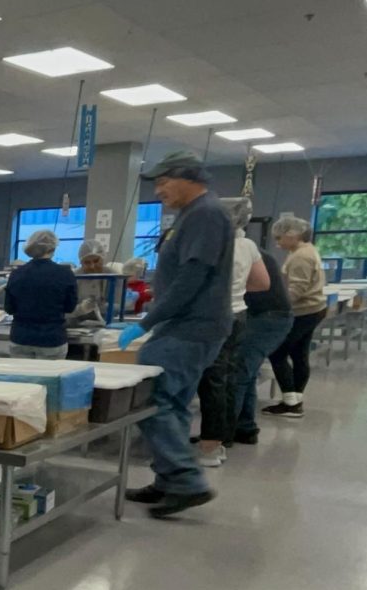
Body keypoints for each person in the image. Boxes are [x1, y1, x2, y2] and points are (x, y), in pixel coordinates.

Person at [119, 151, 233, 518]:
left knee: (152, 401)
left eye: (164, 180)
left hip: (188, 327)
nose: (159, 189)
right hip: (186, 326)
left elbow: (192, 278)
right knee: (174, 403)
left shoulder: (206, 214)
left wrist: (147, 321)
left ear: (188, 177)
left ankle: (186, 481)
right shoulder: (191, 215)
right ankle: (168, 479)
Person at [194, 197, 269, 466]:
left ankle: (210, 446)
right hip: (238, 315)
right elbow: (262, 283)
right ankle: (222, 439)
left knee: (211, 380)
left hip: (213, 317)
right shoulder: (248, 245)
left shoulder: (214, 245)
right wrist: (236, 289)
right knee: (226, 378)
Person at [263, 216, 327, 419]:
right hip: (313, 309)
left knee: (277, 352)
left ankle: (291, 403)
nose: (277, 243)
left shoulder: (300, 256)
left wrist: (277, 306)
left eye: (280, 238)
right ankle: (295, 399)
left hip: (303, 311)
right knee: (300, 354)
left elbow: (297, 289)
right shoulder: (307, 250)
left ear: (292, 235)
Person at [231, 242, 293, 445]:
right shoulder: (255, 250)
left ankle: (221, 435)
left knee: (239, 372)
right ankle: (245, 428)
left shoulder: (241, 251)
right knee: (246, 374)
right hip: (269, 316)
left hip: (267, 318)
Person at [4, 229, 78, 359]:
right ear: (53, 247)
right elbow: (70, 307)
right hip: (52, 338)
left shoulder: (16, 274)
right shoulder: (65, 274)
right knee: (49, 378)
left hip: (21, 337)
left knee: (20, 378)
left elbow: (9, 308)